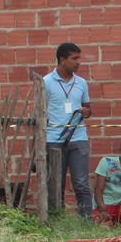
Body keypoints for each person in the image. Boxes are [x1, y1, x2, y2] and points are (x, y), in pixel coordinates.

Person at [43, 42, 93, 219]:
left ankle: (86, 222)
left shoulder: (81, 83)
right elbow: (39, 111)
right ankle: (56, 221)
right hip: (53, 140)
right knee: (56, 184)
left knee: (81, 183)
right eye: (75, 58)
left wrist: (86, 111)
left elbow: (88, 107)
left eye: (79, 58)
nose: (79, 62)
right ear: (62, 60)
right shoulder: (46, 82)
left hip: (78, 138)